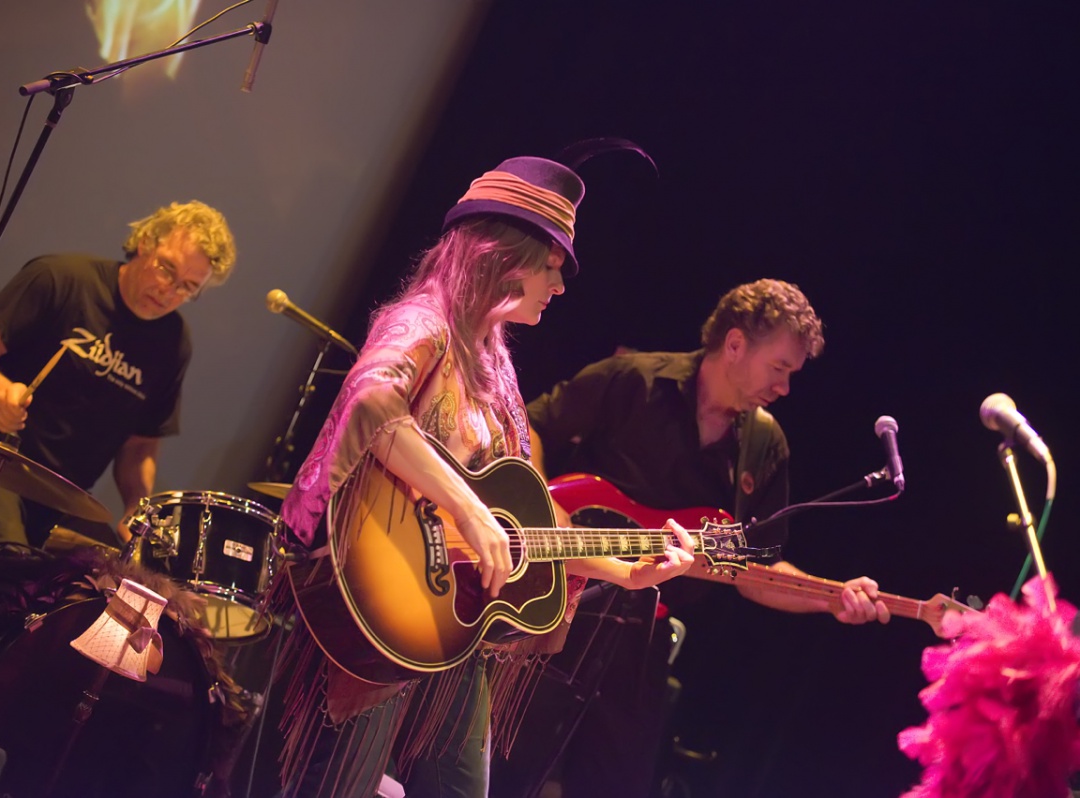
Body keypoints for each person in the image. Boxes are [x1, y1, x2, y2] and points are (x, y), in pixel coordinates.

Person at [271, 156, 696, 798]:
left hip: (454, 613)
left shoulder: (494, 363)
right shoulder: (421, 323)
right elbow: (371, 404)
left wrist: (629, 571)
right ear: (505, 258)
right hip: (383, 599)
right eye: (552, 266)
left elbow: (521, 524)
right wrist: (468, 510)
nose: (559, 286)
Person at [519, 278, 893, 797]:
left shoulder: (764, 445)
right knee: (505, 765)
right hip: (558, 605)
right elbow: (531, 424)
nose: (785, 388)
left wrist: (833, 598)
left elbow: (753, 569)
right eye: (779, 368)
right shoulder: (634, 379)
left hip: (641, 640)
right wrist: (547, 514)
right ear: (735, 345)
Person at [0, 200, 236, 549]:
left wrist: (136, 505)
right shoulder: (61, 278)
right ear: (145, 242)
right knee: (4, 568)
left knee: (96, 585)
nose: (169, 291)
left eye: (188, 287)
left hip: (56, 500)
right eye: (166, 269)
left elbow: (141, 443)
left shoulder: (174, 343)